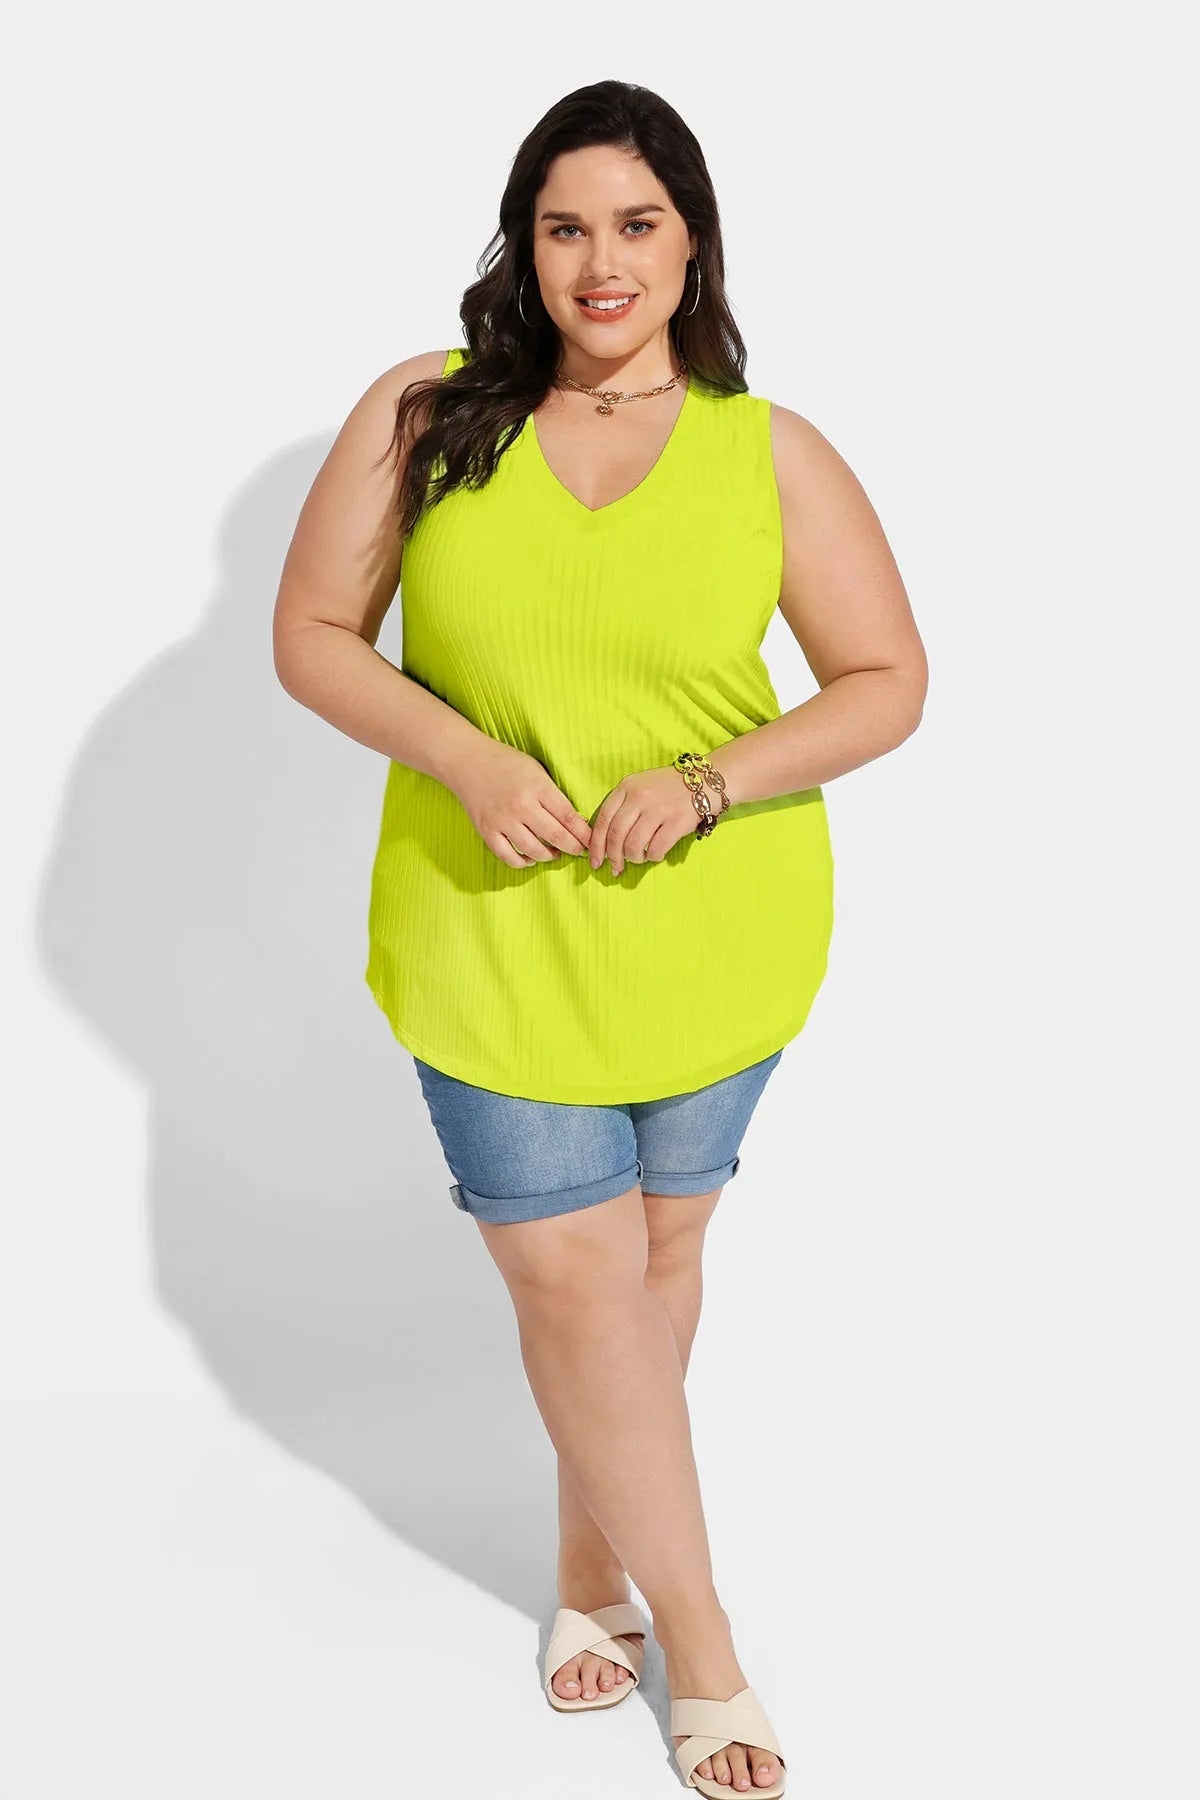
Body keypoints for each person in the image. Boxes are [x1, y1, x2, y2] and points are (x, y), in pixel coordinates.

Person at [273, 78, 927, 1799]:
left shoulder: (769, 450)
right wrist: (468, 758)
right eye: (565, 227)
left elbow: (886, 682)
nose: (601, 261)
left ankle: (590, 1568)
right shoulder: (428, 415)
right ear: (525, 245)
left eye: (637, 224)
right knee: (573, 1276)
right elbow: (314, 632)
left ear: (693, 241)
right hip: (486, 929)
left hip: (715, 934)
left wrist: (708, 784)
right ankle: (705, 1652)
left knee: (652, 1269)